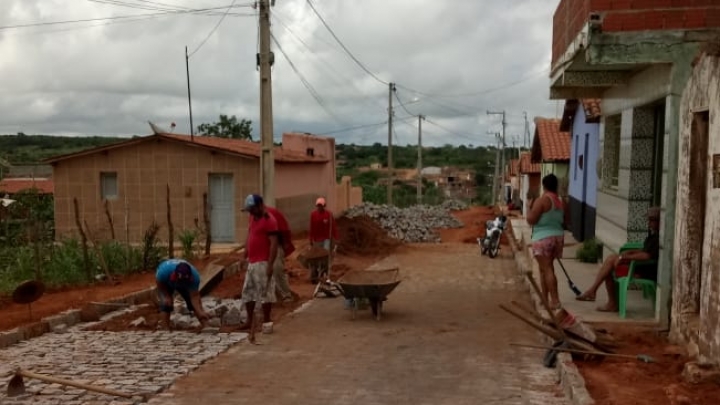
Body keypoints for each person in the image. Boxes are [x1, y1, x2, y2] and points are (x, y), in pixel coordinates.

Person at [575, 207, 661, 312]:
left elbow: (647, 256)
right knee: (610, 263)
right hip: (640, 266)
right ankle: (595, 292)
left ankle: (598, 294)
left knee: (610, 263)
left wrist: (624, 257)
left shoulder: (659, 239)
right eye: (649, 220)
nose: (649, 223)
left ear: (660, 221)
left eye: (652, 220)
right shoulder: (653, 235)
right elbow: (644, 250)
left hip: (644, 270)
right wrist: (629, 252)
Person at [239, 194, 279, 342]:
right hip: (252, 261)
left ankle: (266, 321)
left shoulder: (270, 221)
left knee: (265, 293)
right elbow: (250, 235)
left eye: (252, 209)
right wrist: (244, 255)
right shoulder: (252, 218)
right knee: (248, 292)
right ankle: (250, 320)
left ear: (260, 205)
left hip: (263, 262)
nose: (250, 212)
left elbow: (274, 244)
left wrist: (270, 264)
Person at [527, 174, 567, 310]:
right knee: (545, 268)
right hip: (557, 237)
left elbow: (531, 220)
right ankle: (545, 299)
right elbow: (566, 221)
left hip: (543, 238)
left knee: (547, 269)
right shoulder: (561, 202)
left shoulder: (542, 200)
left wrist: (529, 207)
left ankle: (555, 301)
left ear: (543, 186)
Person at [155, 259, 209, 330]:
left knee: (193, 304)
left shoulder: (195, 278)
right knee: (165, 303)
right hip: (166, 284)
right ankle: (165, 328)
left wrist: (200, 311)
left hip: (186, 284)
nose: (182, 282)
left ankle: (206, 326)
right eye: (181, 280)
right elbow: (160, 283)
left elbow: (194, 297)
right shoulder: (164, 272)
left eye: (184, 280)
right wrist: (166, 295)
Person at [263, 205, 298, 303]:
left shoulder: (272, 214)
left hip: (276, 246)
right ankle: (267, 296)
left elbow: (284, 229)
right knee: (262, 272)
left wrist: (285, 243)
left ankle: (286, 295)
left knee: (277, 270)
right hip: (263, 248)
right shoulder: (253, 217)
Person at [308, 197, 339, 284]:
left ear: (324, 206)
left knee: (325, 256)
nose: (319, 207)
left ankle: (325, 273)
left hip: (326, 239)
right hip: (317, 240)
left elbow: (333, 227)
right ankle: (316, 273)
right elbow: (311, 228)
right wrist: (310, 239)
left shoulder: (328, 214)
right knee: (316, 257)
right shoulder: (313, 215)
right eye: (318, 206)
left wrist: (336, 238)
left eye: (321, 206)